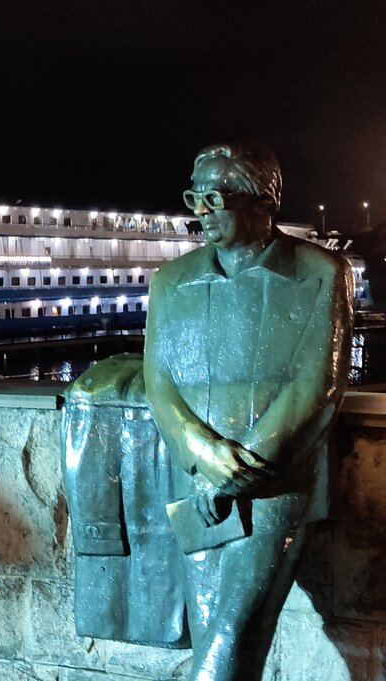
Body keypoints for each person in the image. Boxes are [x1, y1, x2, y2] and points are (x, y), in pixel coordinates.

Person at [143, 144, 352, 680]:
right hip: (193, 484)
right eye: (195, 198)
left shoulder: (321, 272)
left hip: (275, 483)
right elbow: (159, 382)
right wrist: (202, 454)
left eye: (216, 196)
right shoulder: (171, 281)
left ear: (264, 200)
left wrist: (240, 468)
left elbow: (318, 382)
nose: (202, 210)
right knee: (231, 633)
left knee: (226, 639)